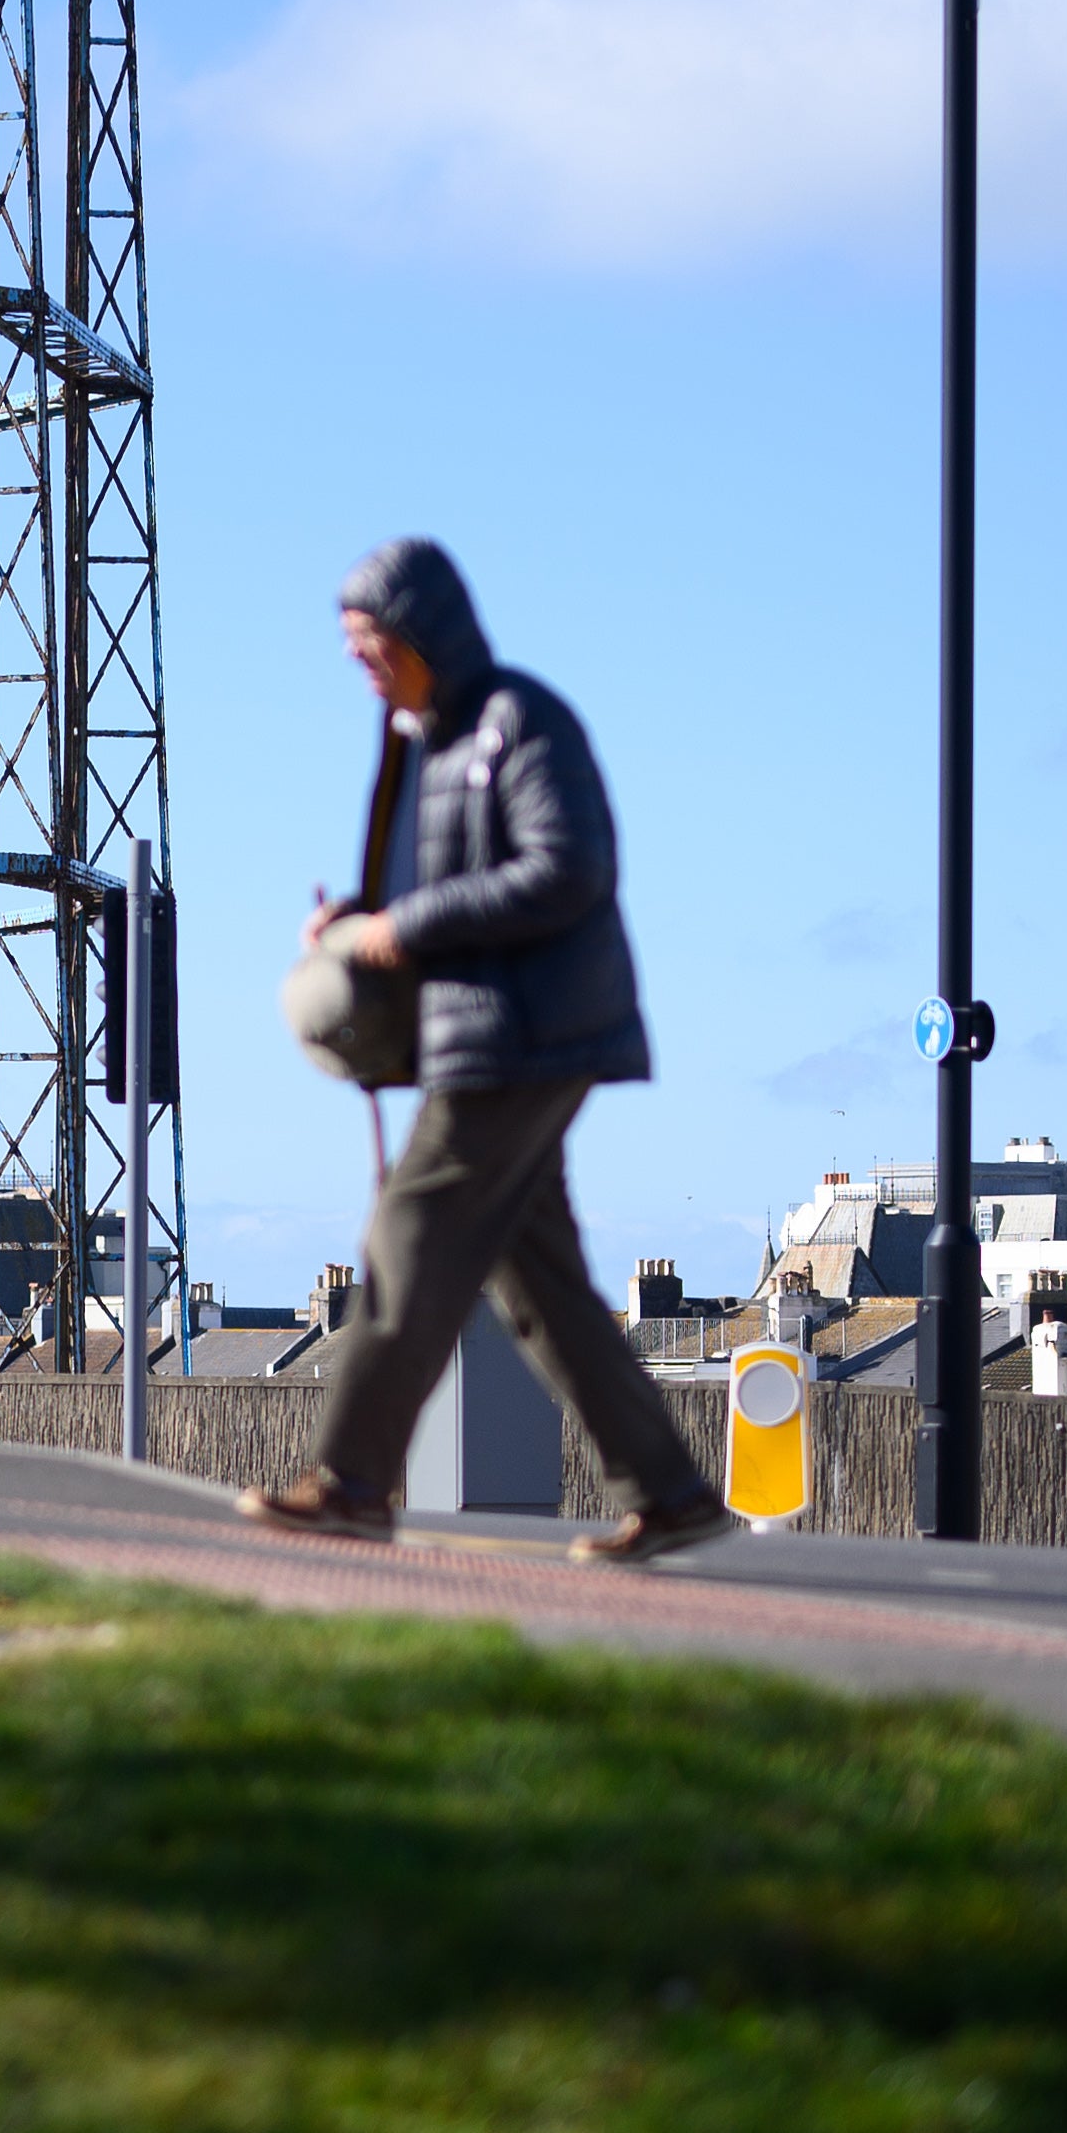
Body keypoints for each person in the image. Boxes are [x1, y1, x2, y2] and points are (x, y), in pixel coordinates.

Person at [246, 537, 728, 1562]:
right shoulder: (426, 739)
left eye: (367, 638)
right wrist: (356, 923)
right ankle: (671, 1490)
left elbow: (569, 870)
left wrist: (405, 929)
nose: (354, 659)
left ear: (423, 632)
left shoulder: (521, 722)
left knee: (406, 1238)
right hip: (491, 1036)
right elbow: (430, 894)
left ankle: (352, 1482)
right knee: (539, 1284)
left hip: (531, 1037)